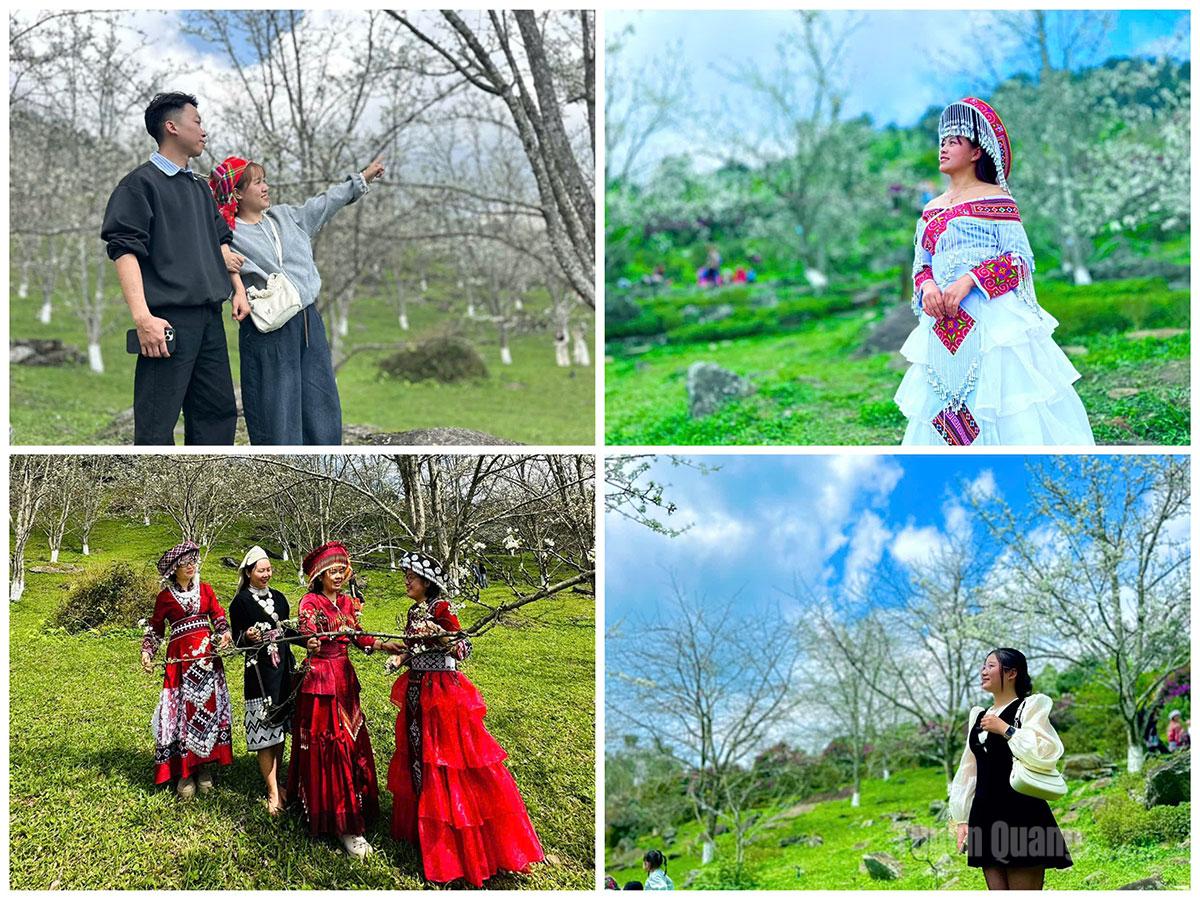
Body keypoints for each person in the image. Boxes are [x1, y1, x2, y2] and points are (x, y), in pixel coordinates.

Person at [895, 97, 1094, 446]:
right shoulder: (930, 209)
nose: (943, 149)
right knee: (943, 401)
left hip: (991, 319)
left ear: (976, 152)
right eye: (942, 142)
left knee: (1000, 401)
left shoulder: (997, 199)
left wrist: (969, 281)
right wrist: (927, 288)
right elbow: (921, 263)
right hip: (941, 321)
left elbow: (1019, 260)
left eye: (953, 142)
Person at [387, 551, 544, 886]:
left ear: (426, 581)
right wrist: (399, 658)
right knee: (421, 758)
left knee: (449, 761)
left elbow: (462, 650)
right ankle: (427, 831)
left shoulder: (443, 609)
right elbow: (413, 648)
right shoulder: (415, 611)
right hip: (417, 690)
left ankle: (459, 841)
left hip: (443, 694)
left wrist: (440, 633)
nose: (407, 581)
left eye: (411, 576)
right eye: (406, 576)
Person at [101, 92, 249, 445]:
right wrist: (143, 319)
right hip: (167, 322)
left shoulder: (199, 187)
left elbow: (221, 241)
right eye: (196, 121)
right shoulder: (139, 185)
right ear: (171, 127)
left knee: (218, 414)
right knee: (156, 422)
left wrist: (238, 290)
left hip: (210, 320)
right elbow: (124, 250)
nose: (203, 131)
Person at [208, 155, 385, 445]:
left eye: (265, 180)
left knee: (321, 402)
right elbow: (211, 260)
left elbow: (326, 202)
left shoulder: (287, 217)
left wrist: (362, 179)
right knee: (275, 409)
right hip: (267, 332)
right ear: (237, 193)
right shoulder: (226, 235)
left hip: (307, 322)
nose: (266, 187)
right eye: (257, 183)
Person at [288, 541, 403, 857]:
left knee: (351, 742)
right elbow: (305, 628)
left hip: (345, 680)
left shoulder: (349, 604)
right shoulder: (310, 602)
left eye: (342, 570)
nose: (338, 576)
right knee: (330, 744)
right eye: (332, 571)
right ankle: (343, 823)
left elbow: (358, 636)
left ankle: (356, 809)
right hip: (321, 680)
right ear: (320, 575)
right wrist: (309, 639)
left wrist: (383, 645)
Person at [948, 648, 1072, 890]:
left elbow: (1045, 752)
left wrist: (1006, 729)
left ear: (1012, 672)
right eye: (983, 666)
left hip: (1022, 815)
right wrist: (962, 820)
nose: (983, 671)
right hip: (984, 815)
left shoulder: (1030, 707)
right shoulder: (978, 716)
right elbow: (968, 771)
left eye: (991, 666)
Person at [140, 541, 234, 796]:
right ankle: (185, 771)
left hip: (207, 660)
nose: (191, 566)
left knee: (206, 710)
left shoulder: (206, 590)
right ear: (174, 569)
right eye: (185, 563)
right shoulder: (165, 598)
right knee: (183, 713)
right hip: (180, 664)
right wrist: (148, 652)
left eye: (194, 561)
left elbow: (219, 618)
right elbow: (156, 629)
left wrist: (223, 635)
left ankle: (204, 766)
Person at [228, 546, 317, 814]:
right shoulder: (240, 602)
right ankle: (272, 791)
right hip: (260, 673)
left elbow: (287, 628)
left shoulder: (279, 598)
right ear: (249, 572)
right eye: (261, 570)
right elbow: (236, 640)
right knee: (265, 729)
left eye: (268, 569)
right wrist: (248, 638)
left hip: (283, 670)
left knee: (279, 729)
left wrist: (305, 641)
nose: (266, 574)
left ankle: (279, 782)